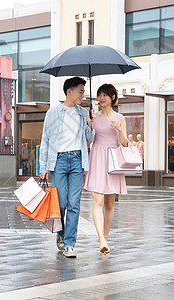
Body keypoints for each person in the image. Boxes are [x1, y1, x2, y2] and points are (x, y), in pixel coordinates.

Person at [39, 77, 94, 258]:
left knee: (74, 204)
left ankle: (70, 244)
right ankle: (61, 234)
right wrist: (43, 167)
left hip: (77, 159)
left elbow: (89, 140)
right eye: (80, 91)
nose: (83, 95)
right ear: (69, 91)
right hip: (59, 161)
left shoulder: (83, 112)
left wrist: (90, 124)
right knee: (61, 203)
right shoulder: (53, 113)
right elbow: (45, 140)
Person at [83, 83, 128, 254]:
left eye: (104, 95)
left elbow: (124, 143)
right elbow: (88, 140)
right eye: (99, 95)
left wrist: (119, 130)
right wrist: (89, 124)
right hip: (96, 158)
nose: (101, 98)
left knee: (109, 203)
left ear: (112, 98)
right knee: (97, 200)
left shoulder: (120, 118)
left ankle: (105, 238)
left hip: (112, 160)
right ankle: (100, 237)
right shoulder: (94, 116)